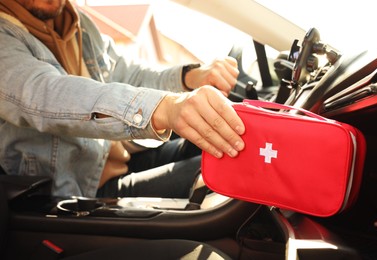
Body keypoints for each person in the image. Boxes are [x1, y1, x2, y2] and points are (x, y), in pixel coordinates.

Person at [0, 0, 245, 199]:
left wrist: (189, 76)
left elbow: (127, 73)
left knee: (225, 152)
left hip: (118, 156)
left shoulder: (77, 23)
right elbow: (46, 94)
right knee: (225, 175)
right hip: (80, 190)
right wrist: (166, 107)